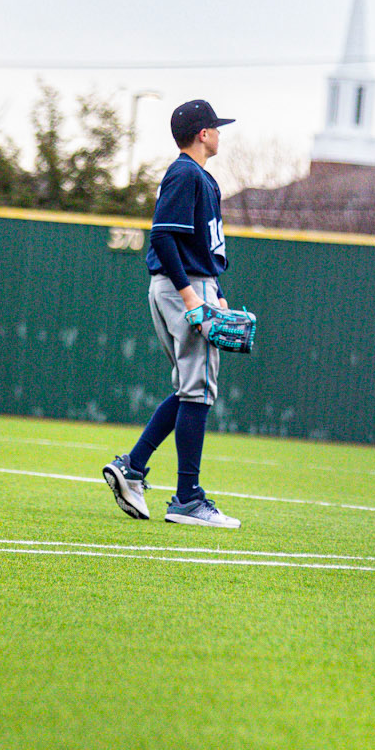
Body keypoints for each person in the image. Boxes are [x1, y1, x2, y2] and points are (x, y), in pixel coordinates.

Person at [103, 97, 241, 529]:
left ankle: (132, 467)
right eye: (215, 127)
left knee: (188, 387)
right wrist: (191, 297)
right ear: (203, 133)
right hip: (183, 286)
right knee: (198, 391)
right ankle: (187, 498)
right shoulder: (186, 173)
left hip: (191, 283)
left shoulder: (195, 175)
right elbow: (162, 237)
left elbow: (192, 245)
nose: (219, 134)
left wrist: (215, 293)